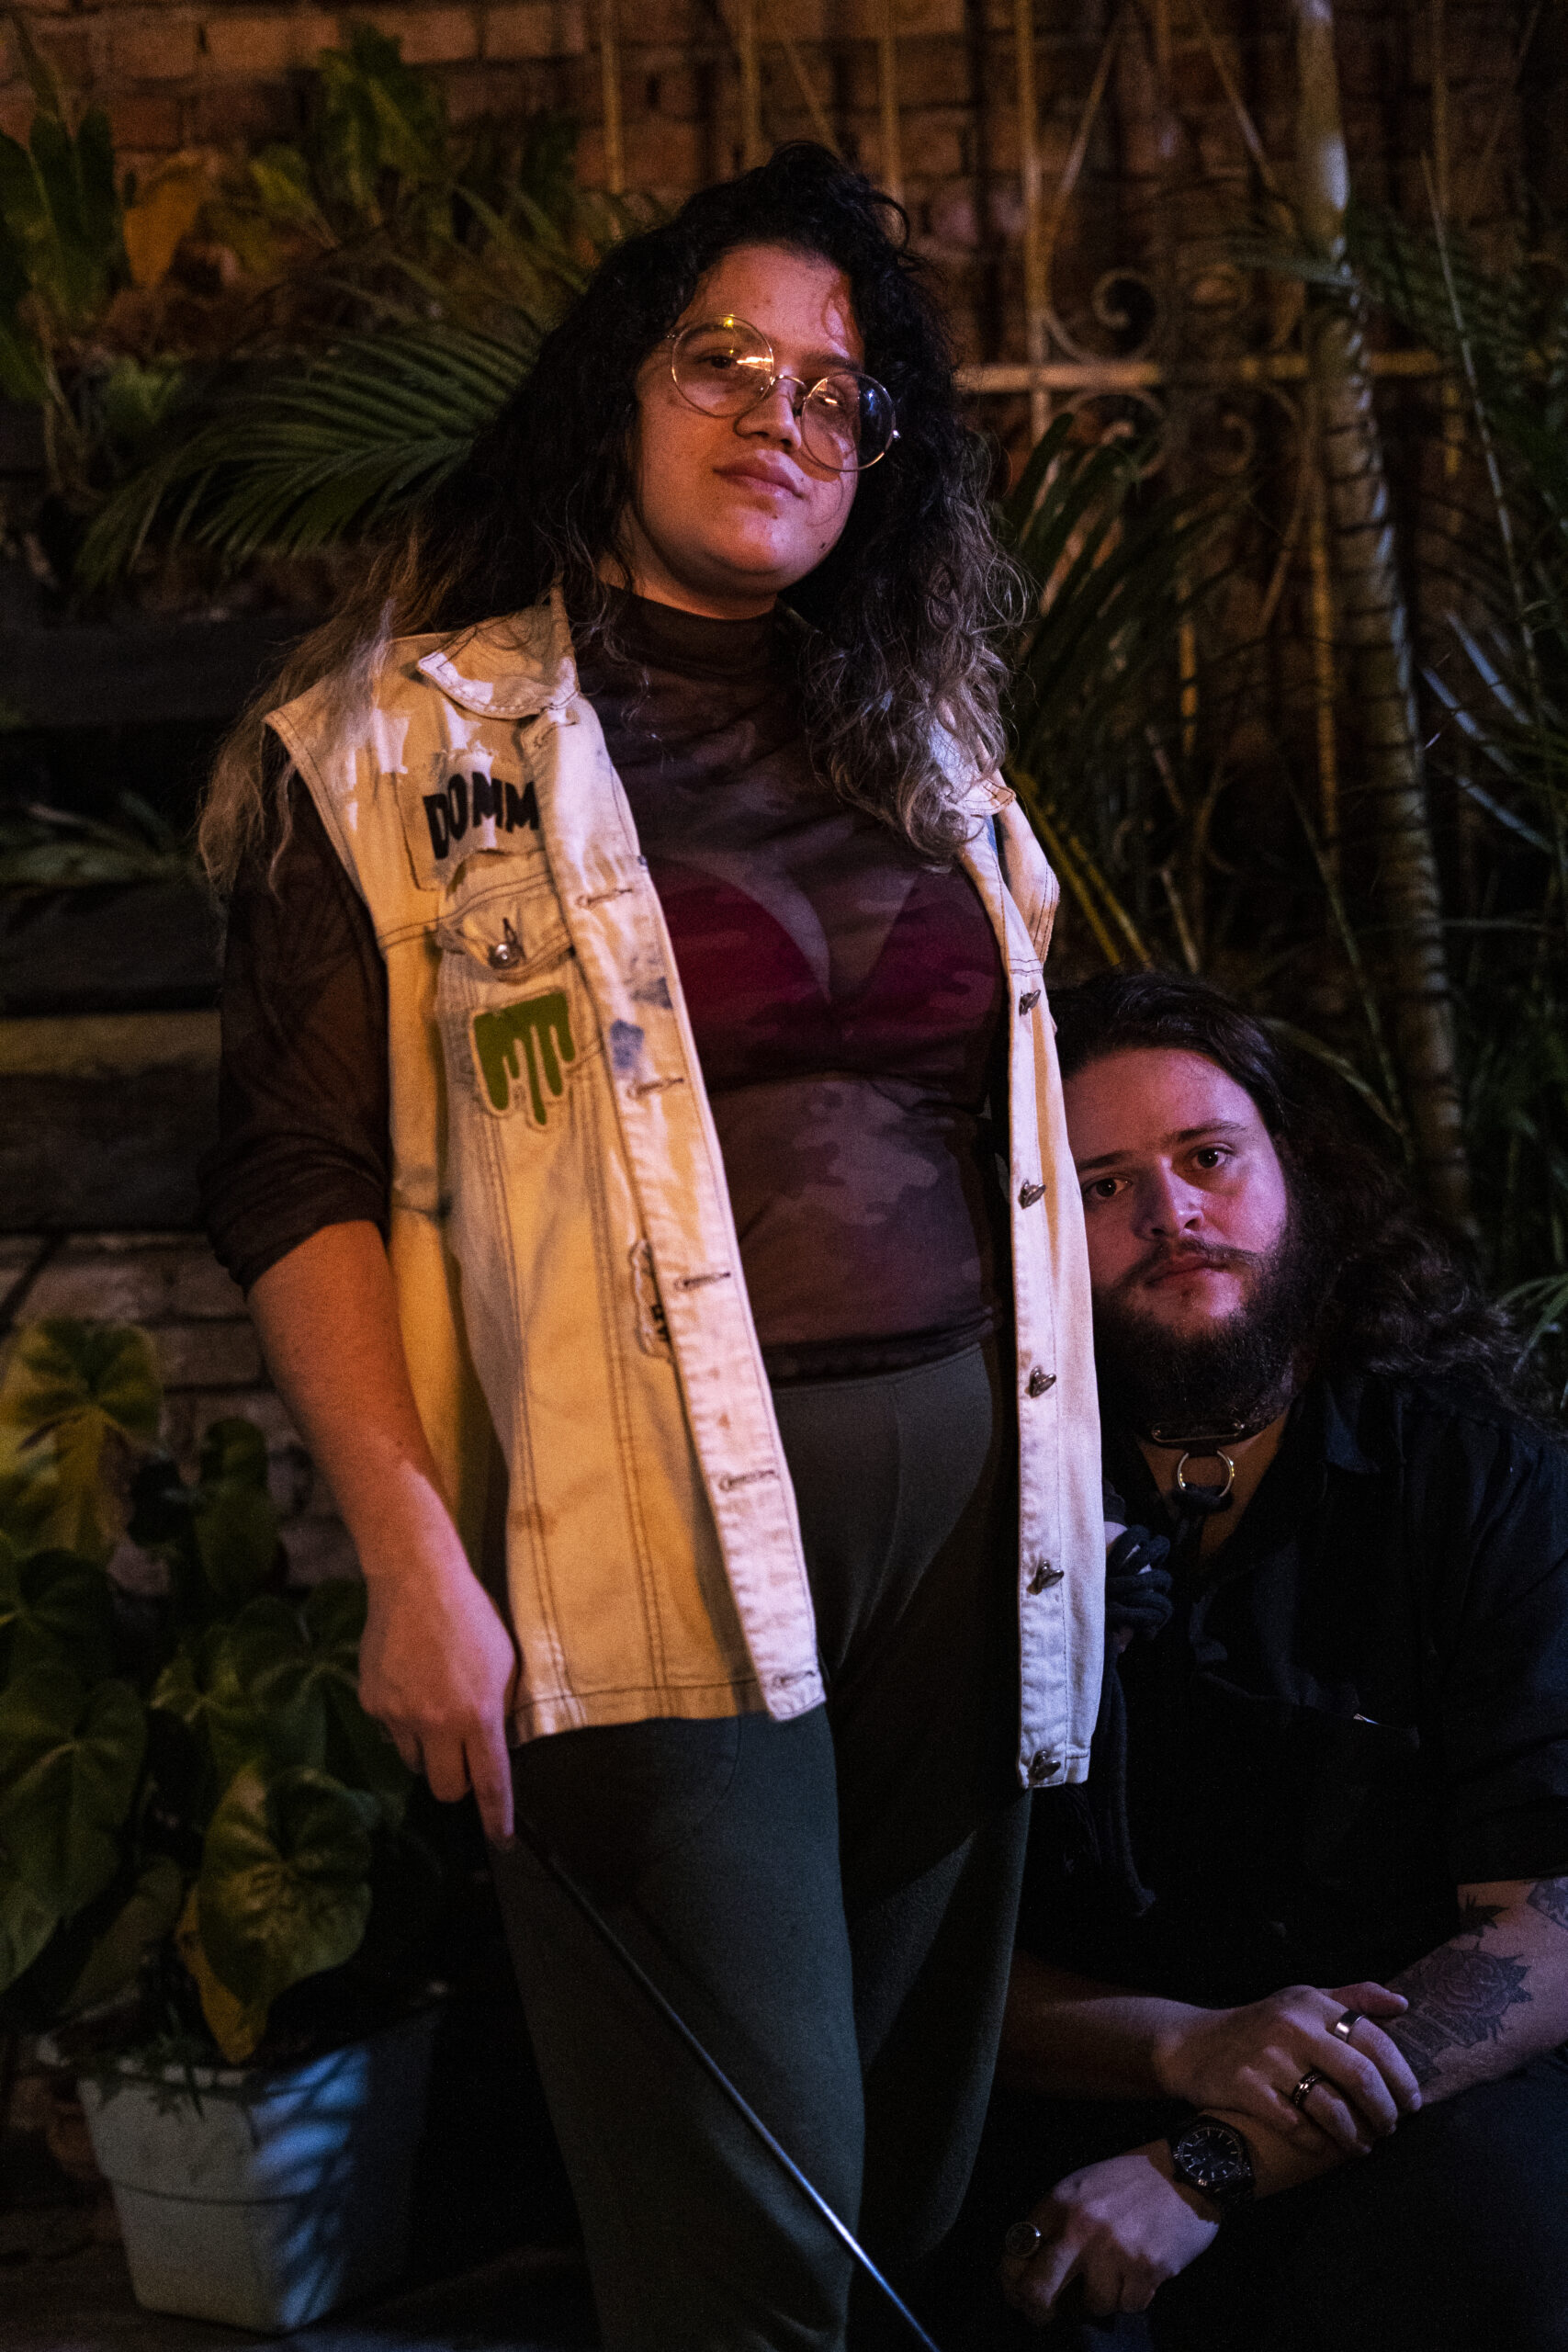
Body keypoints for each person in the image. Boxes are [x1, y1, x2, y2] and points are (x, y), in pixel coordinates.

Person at [197, 145, 1106, 2352]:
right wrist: (412, 1555)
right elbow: (292, 1173)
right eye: (721, 359)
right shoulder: (401, 743)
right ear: (617, 383)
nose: (777, 415)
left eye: (833, 391)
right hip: (639, 1549)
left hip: (970, 1535)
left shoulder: (930, 745)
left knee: (900, 2183)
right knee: (756, 2235)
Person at [946, 969, 1568, 2352]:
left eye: (1208, 1158)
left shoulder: (1476, 1482)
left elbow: (1552, 1921)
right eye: (1102, 1185)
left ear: (1295, 1174)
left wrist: (1216, 2160)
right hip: (1094, 2092)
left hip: (1410, 2107)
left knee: (1498, 2248)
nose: (1171, 1213)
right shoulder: (978, 1508)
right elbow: (923, 1959)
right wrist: (1183, 2046)